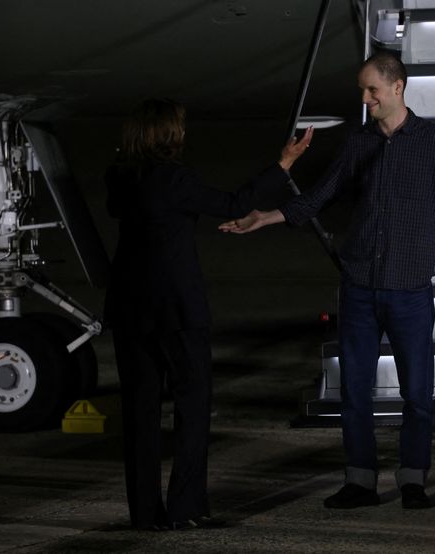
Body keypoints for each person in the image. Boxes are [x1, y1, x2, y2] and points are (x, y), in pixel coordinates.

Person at [219, 52, 435, 510]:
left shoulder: (433, 142)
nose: (365, 98)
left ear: (397, 87)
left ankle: (413, 480)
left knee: (416, 394)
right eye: (363, 90)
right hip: (359, 288)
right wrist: (267, 217)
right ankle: (360, 482)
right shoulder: (359, 143)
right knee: (355, 391)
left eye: (372, 90)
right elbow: (320, 196)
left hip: (409, 290)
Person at [104, 97, 313, 530]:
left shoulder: (119, 179)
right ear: (167, 135)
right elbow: (236, 202)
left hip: (129, 310)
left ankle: (145, 514)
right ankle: (186, 509)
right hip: (178, 310)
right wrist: (283, 164)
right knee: (192, 407)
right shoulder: (176, 179)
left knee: (140, 416)